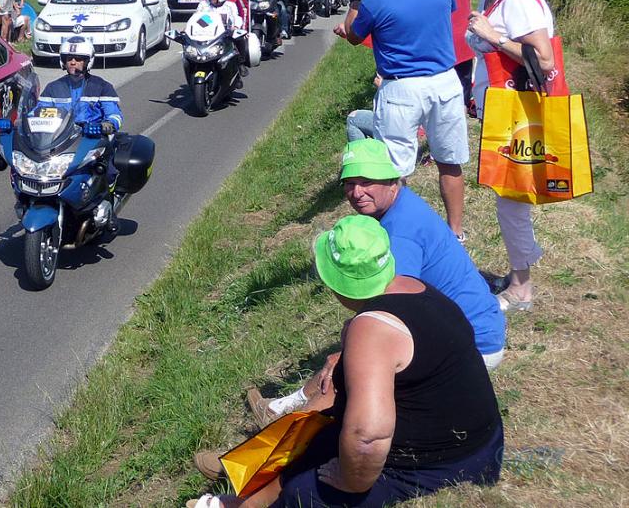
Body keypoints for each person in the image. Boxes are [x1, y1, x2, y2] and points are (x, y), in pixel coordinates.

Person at [190, 216, 503, 508]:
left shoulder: (371, 329)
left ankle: (245, 496)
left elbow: (368, 437)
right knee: (318, 439)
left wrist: (350, 481)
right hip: (481, 440)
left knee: (305, 491)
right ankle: (246, 494)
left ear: (334, 282)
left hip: (448, 463)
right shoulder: (415, 288)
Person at [334, 0, 469, 240]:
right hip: (445, 80)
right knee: (450, 161)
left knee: (393, 170)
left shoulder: (376, 0)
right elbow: (445, 9)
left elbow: (354, 35)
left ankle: (401, 235)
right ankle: (456, 232)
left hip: (400, 87)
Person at [456, 0, 556, 312]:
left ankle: (522, 289)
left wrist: (493, 37)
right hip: (503, 110)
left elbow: (543, 58)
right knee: (508, 196)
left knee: (511, 199)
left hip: (521, 112)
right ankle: (519, 271)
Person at [39, 37, 123, 219]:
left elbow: (115, 115)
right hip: (62, 140)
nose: (73, 62)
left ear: (88, 61)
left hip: (93, 140)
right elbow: (38, 113)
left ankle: (107, 205)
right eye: (69, 57)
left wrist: (107, 125)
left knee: (106, 171)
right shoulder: (53, 88)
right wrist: (25, 122)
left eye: (78, 58)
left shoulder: (102, 87)